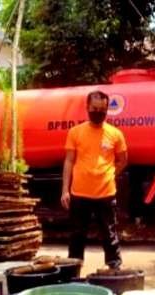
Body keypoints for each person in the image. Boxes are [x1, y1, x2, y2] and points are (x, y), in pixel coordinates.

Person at [61, 90, 128, 269]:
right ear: (87, 108)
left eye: (102, 109)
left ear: (107, 110)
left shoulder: (115, 134)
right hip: (79, 193)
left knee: (109, 233)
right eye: (94, 108)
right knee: (77, 234)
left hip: (106, 193)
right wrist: (65, 191)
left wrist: (111, 174)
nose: (98, 112)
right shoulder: (75, 132)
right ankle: (73, 269)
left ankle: (114, 268)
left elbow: (123, 160)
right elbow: (69, 161)